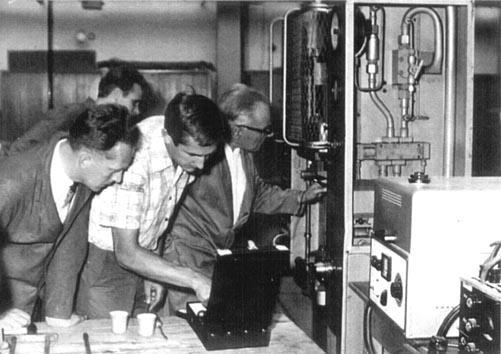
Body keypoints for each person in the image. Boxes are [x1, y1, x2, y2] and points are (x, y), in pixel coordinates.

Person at [162, 83, 327, 312]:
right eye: (264, 130)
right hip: (186, 254)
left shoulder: (244, 156)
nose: (268, 136)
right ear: (238, 129)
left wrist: (300, 197)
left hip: (213, 253)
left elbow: (257, 194)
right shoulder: (202, 156)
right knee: (187, 321)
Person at [75, 91, 228, 319]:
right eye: (194, 155)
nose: (201, 164)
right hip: (106, 264)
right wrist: (195, 279)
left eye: (207, 155)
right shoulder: (135, 161)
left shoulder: (183, 144)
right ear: (167, 137)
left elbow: (159, 214)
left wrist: (154, 274)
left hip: (143, 259)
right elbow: (125, 253)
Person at [0, 104, 139, 331]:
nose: (119, 178)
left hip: (28, 300)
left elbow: (69, 244)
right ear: (85, 160)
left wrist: (58, 312)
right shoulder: (10, 180)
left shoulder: (83, 174)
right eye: (113, 169)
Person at [7, 63, 149, 155]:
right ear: (117, 94)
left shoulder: (110, 125)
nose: (137, 111)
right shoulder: (71, 114)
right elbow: (19, 149)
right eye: (134, 103)